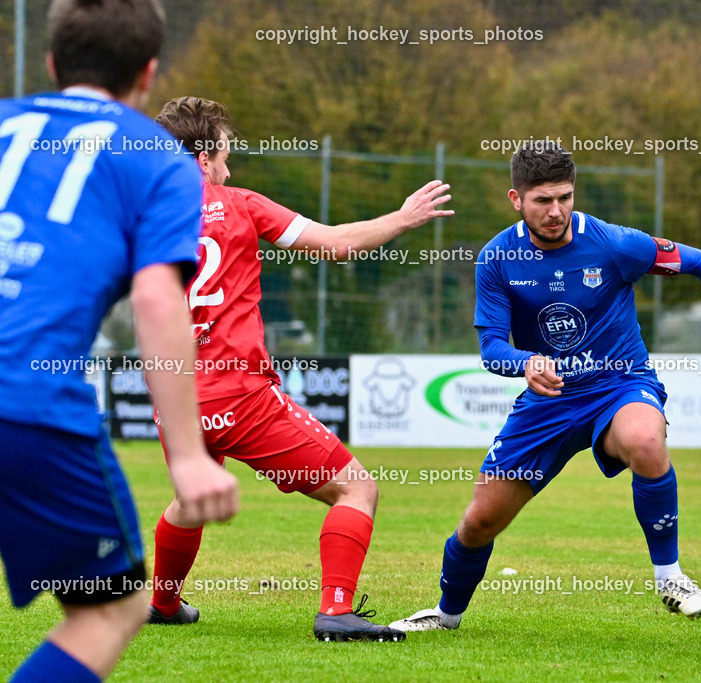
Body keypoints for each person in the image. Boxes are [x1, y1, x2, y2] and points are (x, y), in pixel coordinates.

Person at [389, 142, 701, 632]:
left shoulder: (614, 244)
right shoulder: (496, 259)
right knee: (479, 522)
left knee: (644, 438)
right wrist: (525, 363)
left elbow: (695, 261)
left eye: (565, 197)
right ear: (516, 199)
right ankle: (446, 616)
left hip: (620, 382)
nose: (556, 211)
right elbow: (491, 347)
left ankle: (670, 577)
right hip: (548, 400)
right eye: (542, 201)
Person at [147, 96, 453, 642]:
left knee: (190, 502)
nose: (228, 168)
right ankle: (336, 610)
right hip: (238, 394)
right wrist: (403, 219)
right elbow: (335, 244)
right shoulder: (240, 204)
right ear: (200, 161)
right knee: (357, 489)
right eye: (222, 156)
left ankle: (163, 604)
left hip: (173, 398)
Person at [0, 2, 238, 681]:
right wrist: (188, 457)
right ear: (148, 73)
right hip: (25, 405)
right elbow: (159, 298)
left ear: (50, 64)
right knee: (111, 607)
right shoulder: (156, 160)